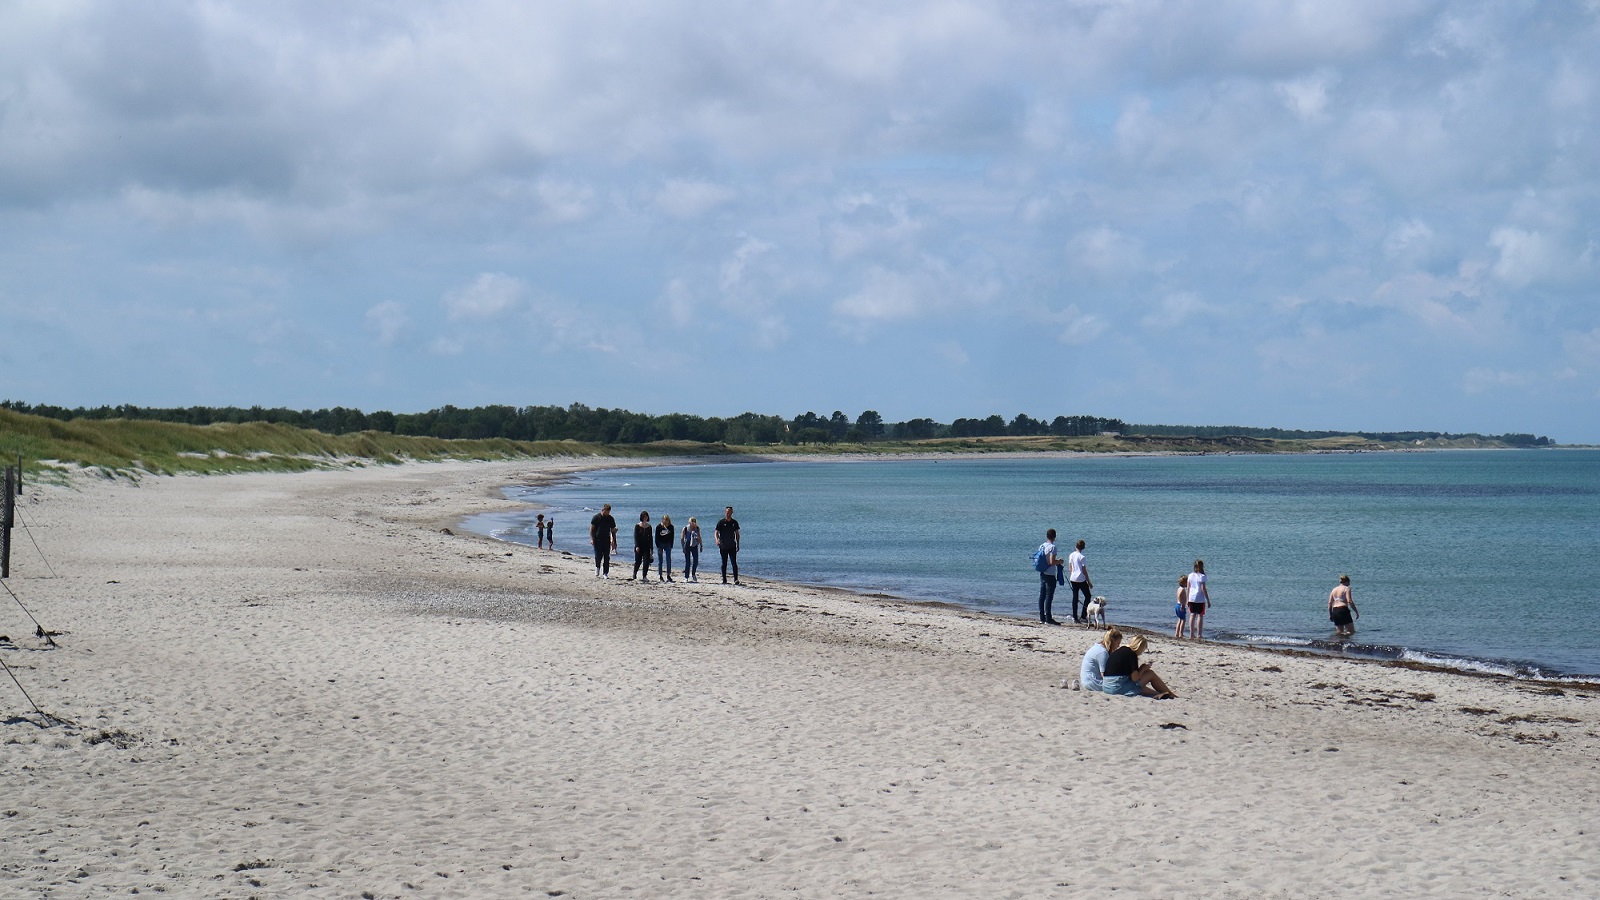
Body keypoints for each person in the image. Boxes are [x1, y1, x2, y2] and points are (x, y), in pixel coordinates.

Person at [1101, 635, 1176, 699]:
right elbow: (1135, 679)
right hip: (1117, 687)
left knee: (1139, 687)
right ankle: (1170, 694)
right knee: (1150, 674)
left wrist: (1140, 669)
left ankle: (1158, 693)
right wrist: (1143, 669)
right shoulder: (1131, 654)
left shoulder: (1121, 650)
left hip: (1107, 686)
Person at [1079, 628, 1121, 692]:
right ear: (1113, 641)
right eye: (1118, 643)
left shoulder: (1098, 647)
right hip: (1092, 682)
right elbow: (1104, 675)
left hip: (1086, 679)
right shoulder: (1103, 653)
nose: (1118, 646)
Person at [1036, 529, 1063, 625]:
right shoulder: (1053, 547)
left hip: (1042, 572)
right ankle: (1048, 618)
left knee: (1042, 596)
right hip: (1050, 574)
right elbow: (1052, 562)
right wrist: (1059, 561)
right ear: (1055, 536)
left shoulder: (1042, 546)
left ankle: (1041, 617)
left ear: (1047, 536)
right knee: (1048, 596)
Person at [589, 504, 617, 578]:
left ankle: (605, 573)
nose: (607, 513)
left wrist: (614, 542)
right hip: (597, 540)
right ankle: (597, 567)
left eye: (609, 512)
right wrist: (592, 539)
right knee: (598, 556)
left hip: (606, 540)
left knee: (606, 557)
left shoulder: (610, 518)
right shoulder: (596, 517)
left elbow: (613, 530)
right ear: (603, 510)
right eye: (606, 511)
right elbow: (591, 529)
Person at [1186, 559, 1211, 640]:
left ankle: (1191, 634)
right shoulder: (1202, 576)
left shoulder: (1190, 575)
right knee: (1200, 615)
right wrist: (1208, 600)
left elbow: (1188, 588)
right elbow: (1203, 588)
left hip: (1191, 597)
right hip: (1200, 598)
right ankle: (1199, 634)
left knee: (1192, 615)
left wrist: (1187, 599)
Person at [1067, 539, 1092, 623]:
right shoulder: (1082, 557)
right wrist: (1089, 581)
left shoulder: (1071, 555)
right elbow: (1084, 571)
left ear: (1076, 546)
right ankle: (1083, 616)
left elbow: (1070, 567)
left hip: (1073, 578)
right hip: (1080, 579)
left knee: (1075, 597)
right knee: (1088, 596)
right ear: (1083, 547)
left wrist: (1071, 575)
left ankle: (1075, 617)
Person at [715, 506, 741, 584]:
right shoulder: (721, 522)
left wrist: (738, 544)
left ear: (732, 512)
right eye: (727, 512)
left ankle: (736, 579)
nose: (728, 513)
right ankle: (724, 579)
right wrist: (717, 540)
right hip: (723, 546)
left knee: (734, 563)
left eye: (730, 512)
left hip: (732, 545)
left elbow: (737, 534)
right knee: (724, 563)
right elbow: (716, 532)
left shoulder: (734, 522)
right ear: (725, 512)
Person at [631, 511, 653, 580]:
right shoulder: (637, 526)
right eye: (644, 517)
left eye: (646, 517)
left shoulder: (649, 527)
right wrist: (637, 546)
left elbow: (650, 538)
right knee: (638, 561)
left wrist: (651, 548)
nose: (645, 518)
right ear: (642, 517)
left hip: (646, 546)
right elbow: (636, 536)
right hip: (639, 546)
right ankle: (635, 573)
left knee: (646, 561)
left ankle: (644, 576)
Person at [655, 514, 676, 582]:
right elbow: (656, 537)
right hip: (660, 544)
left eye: (667, 520)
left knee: (668, 559)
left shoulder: (671, 527)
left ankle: (668, 575)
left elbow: (672, 536)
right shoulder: (659, 527)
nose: (666, 521)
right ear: (662, 520)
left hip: (668, 544)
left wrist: (671, 545)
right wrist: (658, 547)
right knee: (660, 560)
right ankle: (660, 575)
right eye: (664, 520)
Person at [681, 516, 702, 582]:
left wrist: (701, 545)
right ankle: (686, 576)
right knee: (688, 561)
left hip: (694, 545)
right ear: (689, 522)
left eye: (694, 522)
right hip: (687, 545)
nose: (693, 524)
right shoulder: (685, 528)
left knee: (695, 561)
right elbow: (682, 538)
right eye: (691, 522)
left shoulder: (697, 528)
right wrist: (683, 547)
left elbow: (699, 537)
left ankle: (693, 574)